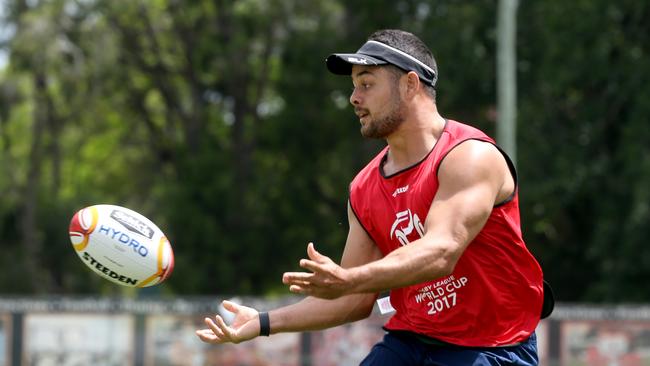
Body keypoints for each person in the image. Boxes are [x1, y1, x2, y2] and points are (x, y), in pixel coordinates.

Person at [196, 29, 552, 366]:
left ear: (410, 84)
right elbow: (352, 299)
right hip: (412, 341)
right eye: (354, 86)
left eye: (366, 84)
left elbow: (441, 252)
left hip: (491, 347)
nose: (354, 98)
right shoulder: (364, 188)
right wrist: (261, 322)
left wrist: (350, 279)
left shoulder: (468, 156)